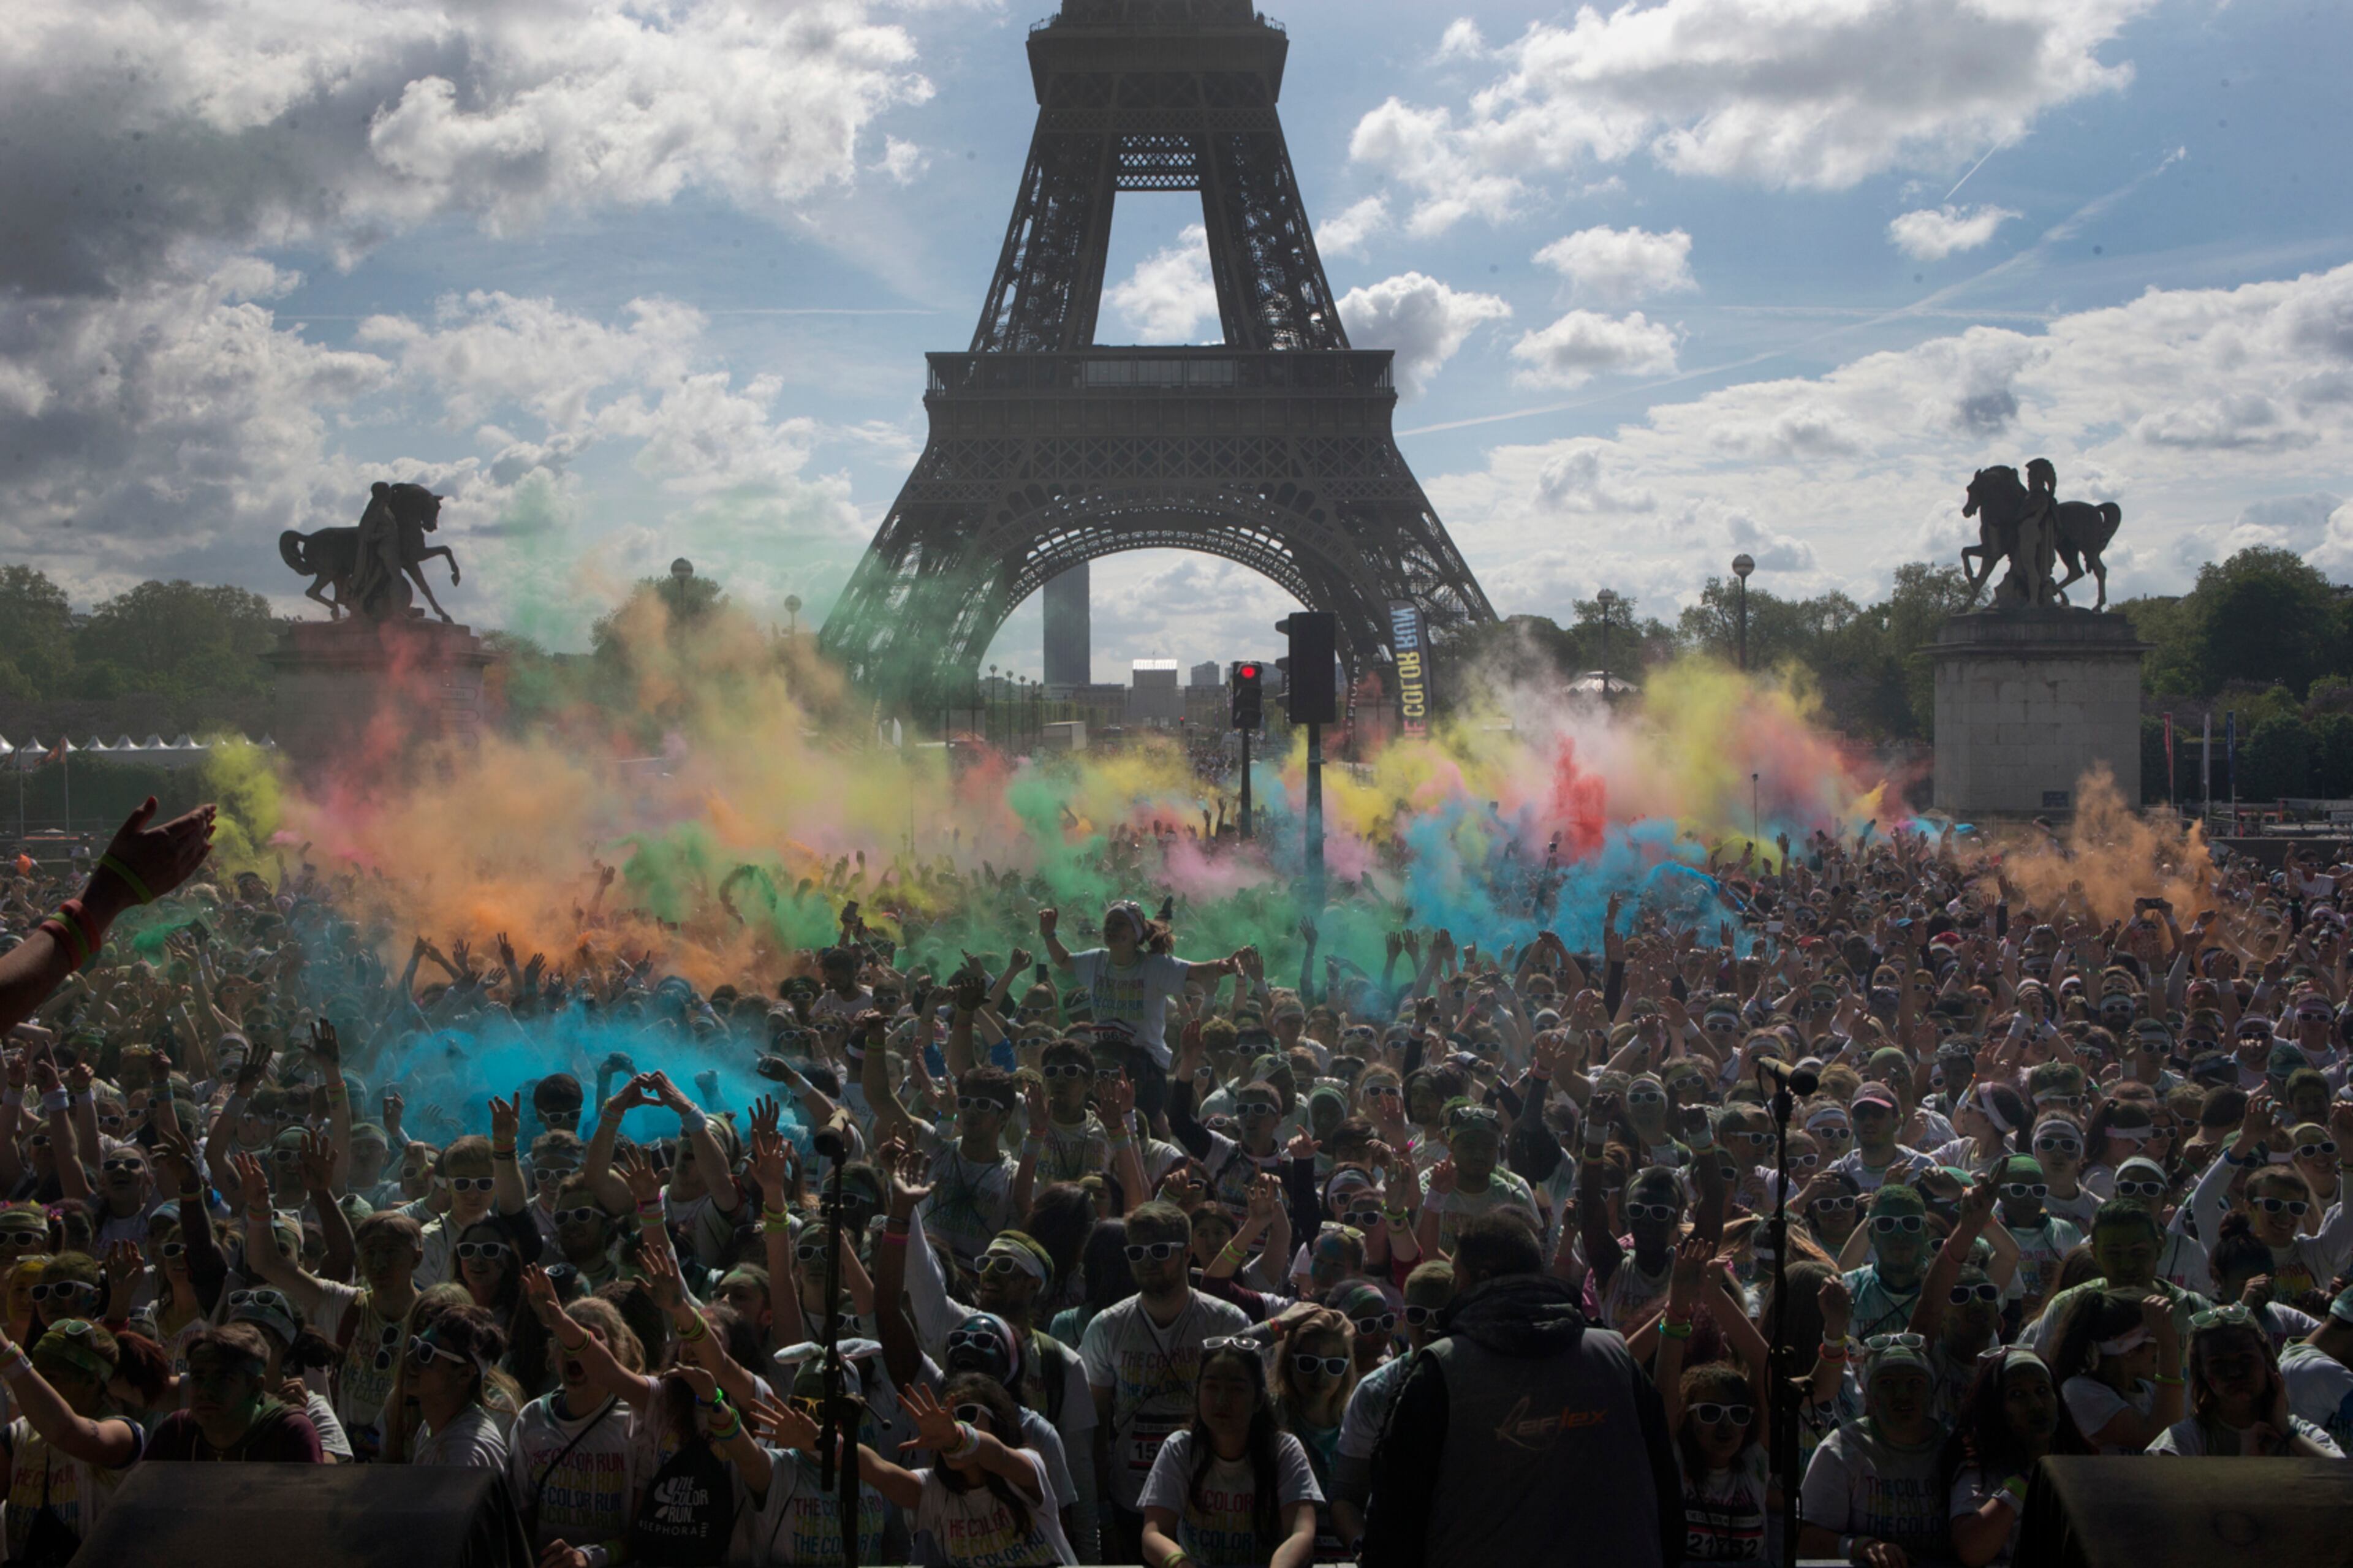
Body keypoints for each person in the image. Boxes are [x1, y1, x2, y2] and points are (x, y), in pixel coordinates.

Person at [1358, 1211, 1681, 1568]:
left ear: (1477, 1279)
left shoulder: (1442, 1370)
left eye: (1457, 1276)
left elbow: (1393, 1521)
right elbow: (1668, 1494)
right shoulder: (1615, 1356)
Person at [1079, 1200, 1249, 1560]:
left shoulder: (1226, 1322)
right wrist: (1103, 1510)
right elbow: (1093, 1425)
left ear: (1188, 1254)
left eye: (1160, 1251)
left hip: (1208, 1501)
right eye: (1137, 1253)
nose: (1148, 1262)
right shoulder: (1107, 1327)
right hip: (1131, 1499)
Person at [851, 1377, 1077, 1566]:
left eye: (968, 1414)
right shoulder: (935, 1491)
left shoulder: (1026, 1465)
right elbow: (878, 1470)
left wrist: (958, 1440)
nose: (954, 1424)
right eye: (949, 1416)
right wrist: (830, 1445)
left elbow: (999, 1455)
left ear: (997, 1422)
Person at [1139, 1339, 1320, 1568]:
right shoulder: (1180, 1448)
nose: (1222, 1400)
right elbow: (1153, 1534)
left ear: (1258, 1400)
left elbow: (1301, 1533)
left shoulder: (1284, 1450)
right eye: (1211, 1387)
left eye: (1237, 1389)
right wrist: (1180, 1564)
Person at [1798, 1333, 1950, 1568]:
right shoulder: (1841, 1450)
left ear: (1932, 1390)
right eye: (1887, 1383)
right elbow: (1804, 1536)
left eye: (1915, 1383)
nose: (1902, 1394)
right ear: (1868, 1392)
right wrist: (1859, 1547)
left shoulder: (1956, 1447)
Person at [0, 1318, 142, 1562]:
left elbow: (66, 1431)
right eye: (37, 1377)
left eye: (50, 1378)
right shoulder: (19, 1436)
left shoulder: (124, 1433)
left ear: (91, 1381)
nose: (37, 1388)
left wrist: (7, 1354)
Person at [1945, 1349, 2092, 1568]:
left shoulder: (2083, 1466)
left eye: (2042, 1391)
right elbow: (1972, 1551)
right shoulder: (1980, 1470)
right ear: (1997, 1409)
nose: (2036, 1405)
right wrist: (2028, 1481)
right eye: (2017, 1395)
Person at [2145, 1303, 2344, 1456]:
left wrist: (2285, 1429)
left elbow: (2344, 1480)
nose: (2234, 1373)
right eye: (2218, 1363)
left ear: (2267, 1360)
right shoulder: (2188, 1439)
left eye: (2245, 1358)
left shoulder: (2297, 1431)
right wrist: (2246, 1463)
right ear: (2203, 1374)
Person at [145, 1324, 326, 1461]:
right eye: (198, 1378)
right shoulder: (177, 1432)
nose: (206, 1391)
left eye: (223, 1379)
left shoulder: (290, 1433)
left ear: (255, 1388)